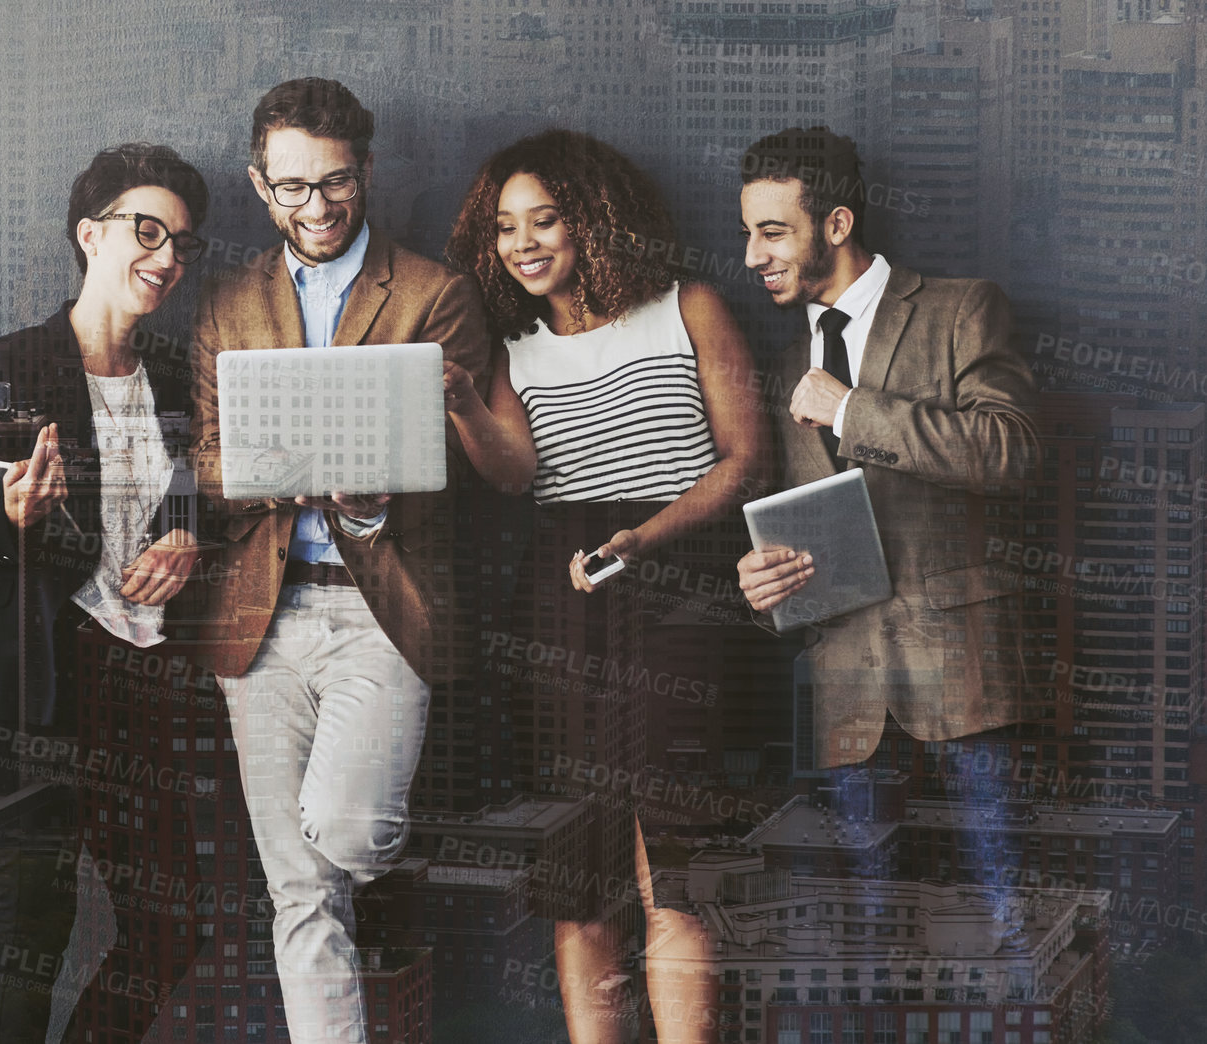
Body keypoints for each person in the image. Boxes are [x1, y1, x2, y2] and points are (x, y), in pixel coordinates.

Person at [185, 78, 492, 1043]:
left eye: (335, 183)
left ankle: (365, 865)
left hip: (382, 602)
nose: (315, 209)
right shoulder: (228, 306)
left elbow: (470, 471)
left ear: (366, 171)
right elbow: (207, 457)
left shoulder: (435, 291)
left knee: (346, 837)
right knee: (299, 898)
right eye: (291, 188)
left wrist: (375, 500)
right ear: (258, 184)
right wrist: (300, 477)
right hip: (263, 615)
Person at [443, 129, 766, 1044]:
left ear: (597, 221)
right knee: (577, 868)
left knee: (677, 861)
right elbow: (513, 474)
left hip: (684, 583)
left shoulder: (686, 307)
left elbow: (745, 458)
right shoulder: (514, 346)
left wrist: (646, 536)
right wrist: (466, 401)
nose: (524, 242)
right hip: (566, 595)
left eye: (545, 219)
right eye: (506, 226)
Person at [0, 142, 210, 1043]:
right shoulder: (7, 366)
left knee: (171, 930)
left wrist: (189, 537)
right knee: (30, 928)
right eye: (147, 230)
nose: (166, 257)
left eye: (182, 243)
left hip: (150, 682)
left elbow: (208, 499)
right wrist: (5, 512)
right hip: (35, 682)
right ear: (90, 235)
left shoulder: (180, 374)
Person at [732, 126, 1038, 769]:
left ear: (837, 224)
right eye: (748, 234)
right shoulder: (784, 366)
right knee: (850, 877)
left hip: (966, 679)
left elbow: (1013, 452)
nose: (753, 256)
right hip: (846, 701)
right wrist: (765, 587)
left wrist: (848, 408)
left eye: (773, 232)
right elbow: (792, 527)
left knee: (996, 875)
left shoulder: (961, 309)